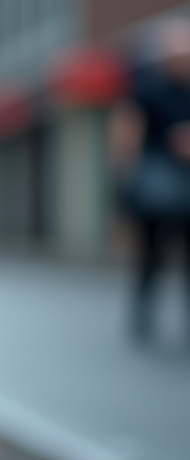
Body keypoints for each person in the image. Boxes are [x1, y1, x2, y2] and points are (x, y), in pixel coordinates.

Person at [114, 16, 190, 343]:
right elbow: (128, 133)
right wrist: (126, 178)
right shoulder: (148, 88)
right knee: (151, 252)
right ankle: (142, 313)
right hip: (158, 182)